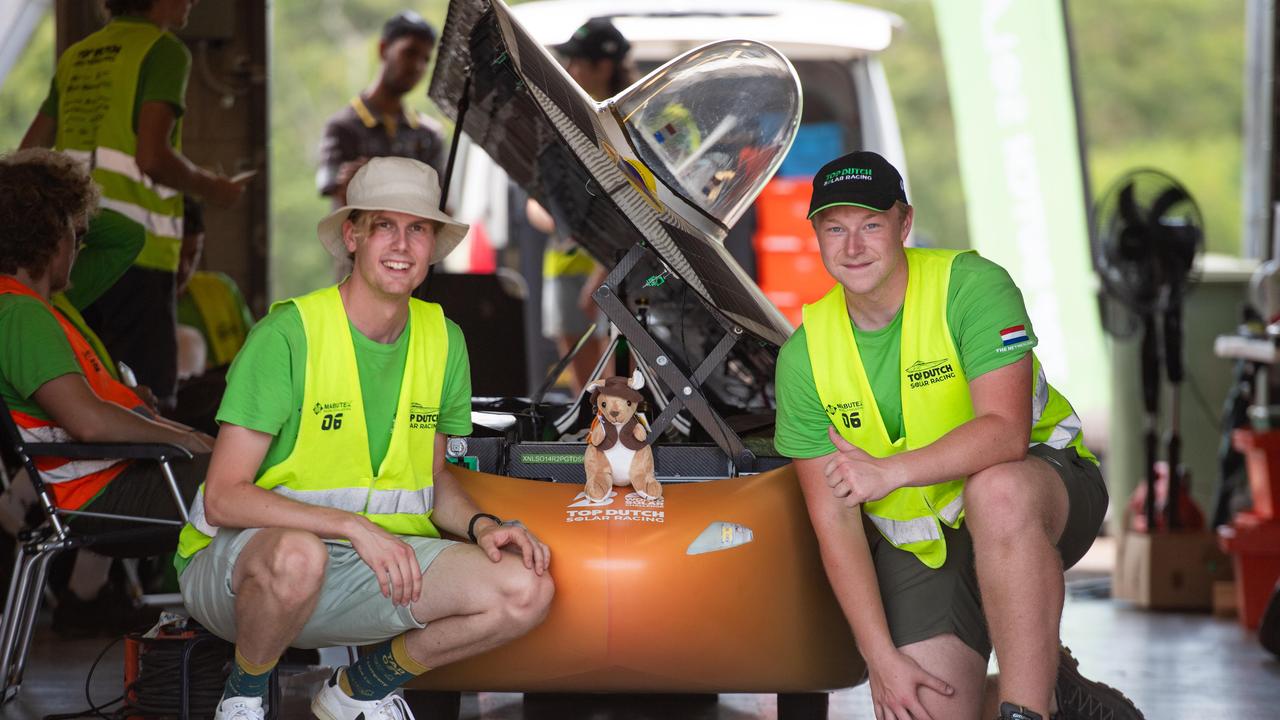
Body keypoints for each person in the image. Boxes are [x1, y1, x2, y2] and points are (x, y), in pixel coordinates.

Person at [176, 157, 554, 720]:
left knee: (526, 586)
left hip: (370, 567)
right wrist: (355, 528)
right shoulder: (288, 334)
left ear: (432, 245)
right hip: (242, 570)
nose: (401, 244)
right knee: (298, 555)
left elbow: (433, 479)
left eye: (418, 228)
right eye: (384, 225)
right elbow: (223, 495)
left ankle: (359, 691)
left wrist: (485, 527)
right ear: (352, 235)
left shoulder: (444, 340)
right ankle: (244, 695)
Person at [774, 151, 1142, 720]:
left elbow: (1005, 436)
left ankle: (1030, 709)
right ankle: (1064, 698)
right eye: (835, 229)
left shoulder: (972, 286)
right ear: (816, 236)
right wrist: (881, 660)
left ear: (905, 223)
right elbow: (835, 524)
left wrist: (888, 471)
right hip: (927, 542)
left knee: (996, 491)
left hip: (1041, 494)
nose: (853, 247)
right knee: (923, 706)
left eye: (871, 225)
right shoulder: (805, 357)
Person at [0, 148, 213, 632]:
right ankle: (263, 644)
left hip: (108, 483)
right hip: (101, 497)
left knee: (257, 476)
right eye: (77, 235)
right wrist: (185, 440)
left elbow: (122, 234)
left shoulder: (31, 306)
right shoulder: (21, 314)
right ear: (52, 235)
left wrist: (52, 200)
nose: (81, 247)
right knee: (268, 485)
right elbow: (88, 420)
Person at [21, 0, 248, 413]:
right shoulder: (162, 51)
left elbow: (28, 155)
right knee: (146, 400)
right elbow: (152, 158)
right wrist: (214, 189)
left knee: (91, 390)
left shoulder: (77, 54)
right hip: (137, 254)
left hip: (74, 252)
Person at [534, 17, 637, 393]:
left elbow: (634, 206)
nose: (568, 70)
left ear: (603, 66)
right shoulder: (561, 117)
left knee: (617, 390)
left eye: (576, 61)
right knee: (584, 393)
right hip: (563, 263)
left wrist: (602, 274)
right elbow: (538, 199)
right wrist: (557, 217)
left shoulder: (628, 122)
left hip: (617, 270)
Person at [317, 10, 446, 211]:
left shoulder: (428, 135)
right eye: (410, 52)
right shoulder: (342, 128)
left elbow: (444, 210)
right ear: (383, 49)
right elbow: (340, 213)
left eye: (426, 59)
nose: (417, 66)